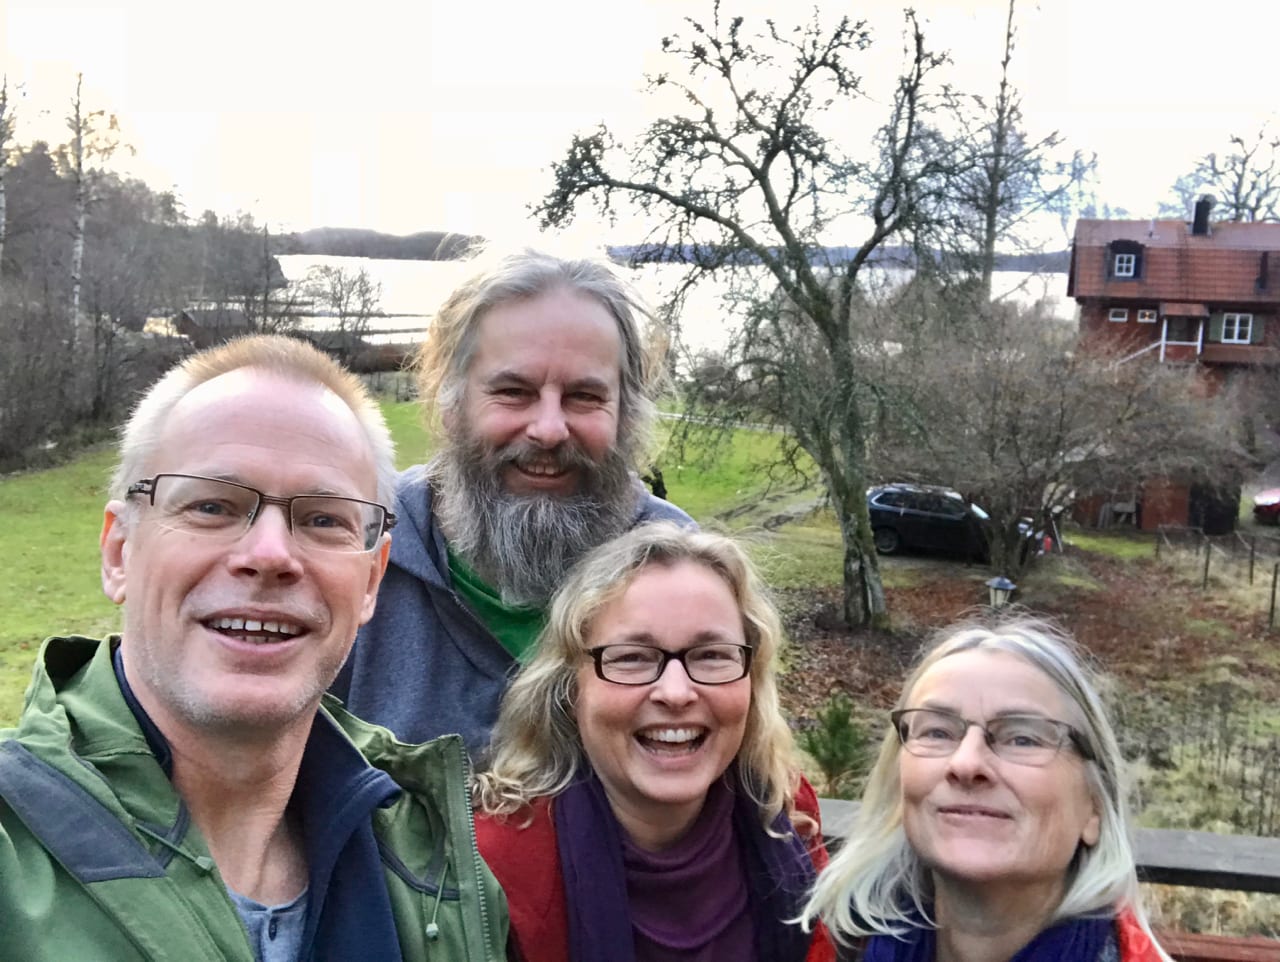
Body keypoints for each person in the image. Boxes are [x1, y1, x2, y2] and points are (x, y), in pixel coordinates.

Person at [0, 335, 507, 962]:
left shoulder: (442, 876)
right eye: (212, 505)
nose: (270, 555)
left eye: (323, 519)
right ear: (119, 552)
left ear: (371, 580)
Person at [332, 248, 692, 753]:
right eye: (513, 391)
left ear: (626, 415)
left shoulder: (682, 568)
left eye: (585, 397)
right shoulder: (356, 551)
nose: (549, 429)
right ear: (452, 403)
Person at [472, 522, 835, 962]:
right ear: (571, 691)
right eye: (633, 658)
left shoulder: (785, 814)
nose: (676, 693)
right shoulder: (492, 873)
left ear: (752, 681)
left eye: (712, 655)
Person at [800, 617, 1171, 962]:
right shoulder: (828, 948)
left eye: (1022, 738)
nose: (966, 763)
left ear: (1095, 807)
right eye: (937, 732)